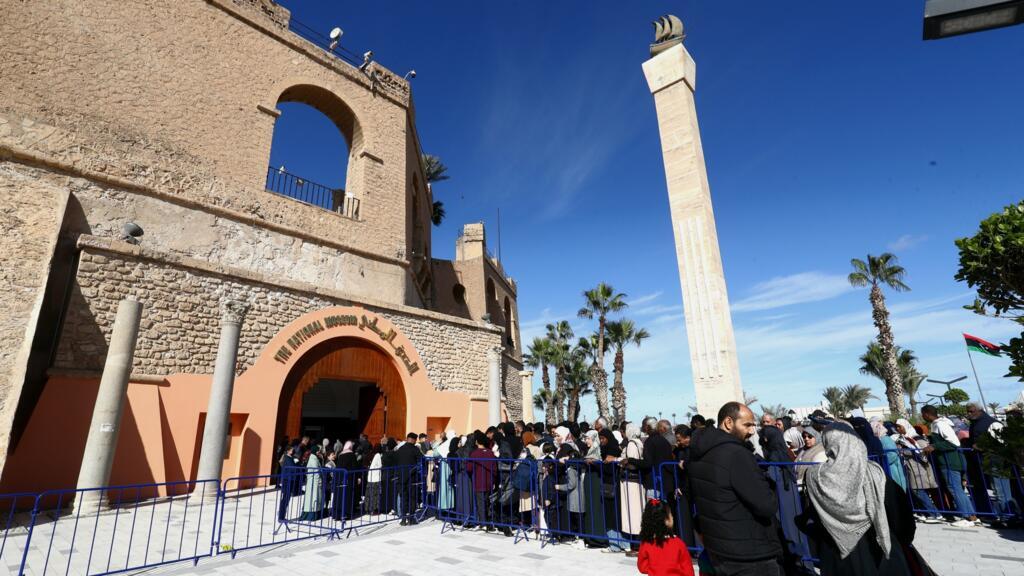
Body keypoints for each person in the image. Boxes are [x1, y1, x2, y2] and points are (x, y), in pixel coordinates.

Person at [800, 422, 913, 575]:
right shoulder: (874, 474)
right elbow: (900, 516)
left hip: (836, 555)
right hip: (879, 554)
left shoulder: (815, 476)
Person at [689, 402, 782, 575]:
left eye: (753, 425)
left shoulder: (697, 454)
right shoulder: (737, 454)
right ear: (728, 422)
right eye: (747, 425)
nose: (751, 431)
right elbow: (766, 505)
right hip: (749, 554)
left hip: (719, 550)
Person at [921, 405, 978, 527]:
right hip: (949, 461)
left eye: (922, 414)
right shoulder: (938, 424)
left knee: (955, 489)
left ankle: (967, 516)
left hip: (950, 462)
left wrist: (934, 446)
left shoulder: (941, 425)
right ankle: (971, 515)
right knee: (957, 490)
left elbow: (953, 442)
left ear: (926, 414)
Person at [893, 419, 942, 524]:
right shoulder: (903, 439)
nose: (898, 429)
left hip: (920, 469)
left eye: (899, 426)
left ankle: (935, 513)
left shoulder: (916, 439)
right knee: (917, 490)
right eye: (896, 427)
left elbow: (924, 451)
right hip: (913, 469)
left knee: (918, 491)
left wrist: (904, 451)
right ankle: (926, 513)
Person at [637, 498, 695, 576]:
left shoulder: (646, 543)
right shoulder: (678, 543)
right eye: (670, 514)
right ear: (665, 521)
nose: (672, 517)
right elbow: (688, 570)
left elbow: (642, 567)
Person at [468, 431, 497, 530]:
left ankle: (483, 523)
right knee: (488, 502)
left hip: (479, 481)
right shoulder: (490, 453)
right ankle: (489, 521)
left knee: (481, 503)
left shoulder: (474, 453)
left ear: (477, 441)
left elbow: (469, 468)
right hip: (489, 481)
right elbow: (494, 468)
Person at [394, 432, 423, 525]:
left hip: (401, 476)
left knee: (403, 498)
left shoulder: (400, 449)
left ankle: (403, 519)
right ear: (414, 440)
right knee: (412, 498)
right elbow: (422, 459)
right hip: (411, 477)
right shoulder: (414, 449)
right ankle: (411, 518)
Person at [872, 419, 907, 492]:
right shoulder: (881, 438)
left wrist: (882, 461)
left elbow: (892, 454)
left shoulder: (885, 439)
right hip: (890, 469)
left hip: (893, 469)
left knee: (898, 491)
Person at [299, 444, 323, 521]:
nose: (319, 452)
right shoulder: (314, 459)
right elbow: (316, 472)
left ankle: (310, 514)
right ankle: (311, 515)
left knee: (311, 498)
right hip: (314, 483)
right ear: (316, 451)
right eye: (319, 450)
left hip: (312, 482)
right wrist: (319, 482)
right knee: (313, 498)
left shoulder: (314, 458)